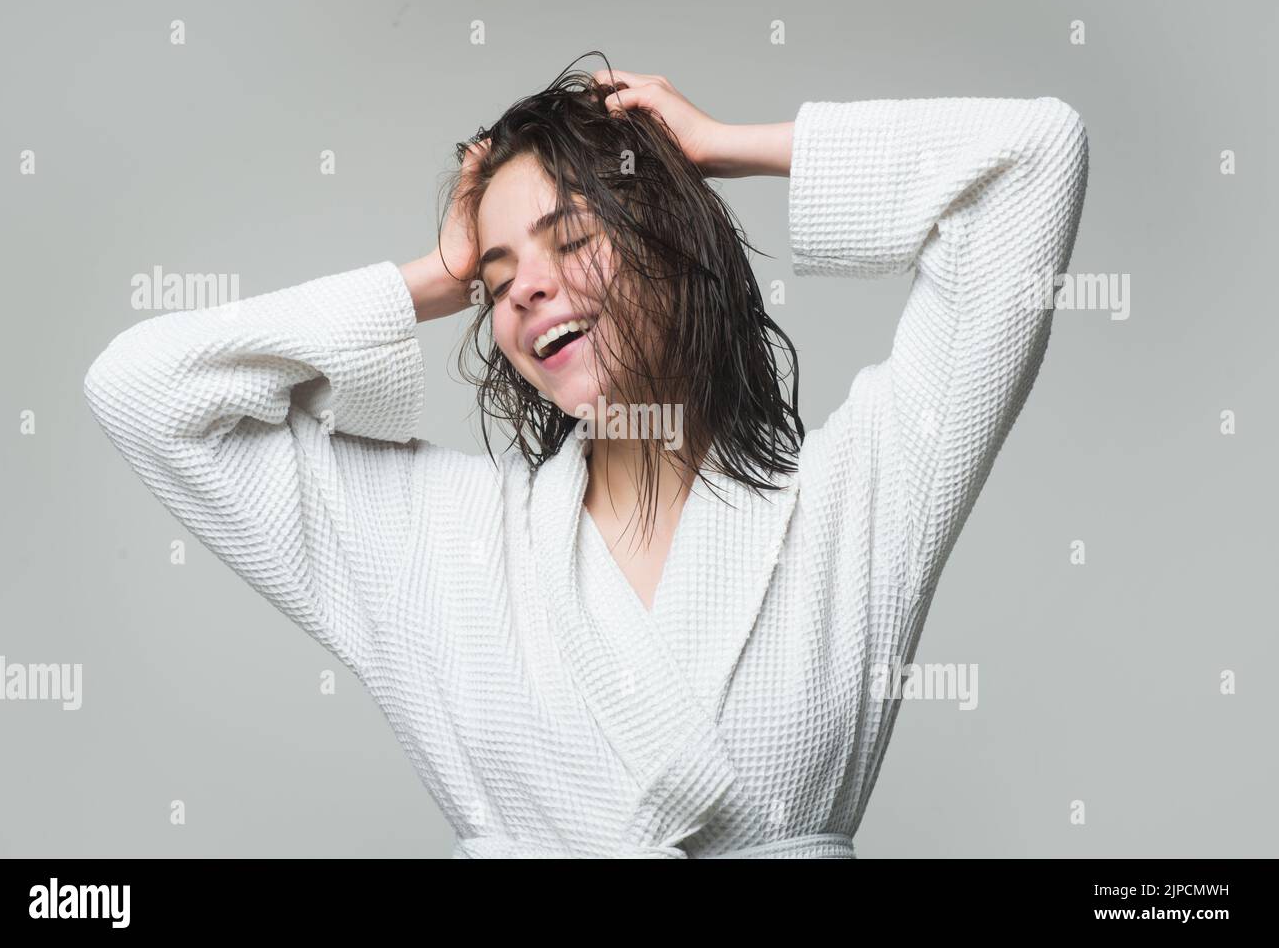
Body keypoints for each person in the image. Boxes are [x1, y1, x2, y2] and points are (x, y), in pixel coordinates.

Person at [83, 55, 1089, 858]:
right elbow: (145, 393)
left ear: (667, 232)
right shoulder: (437, 537)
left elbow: (1034, 156)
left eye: (570, 239)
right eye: (497, 270)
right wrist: (430, 279)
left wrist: (723, 147)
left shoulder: (855, 499)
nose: (525, 288)